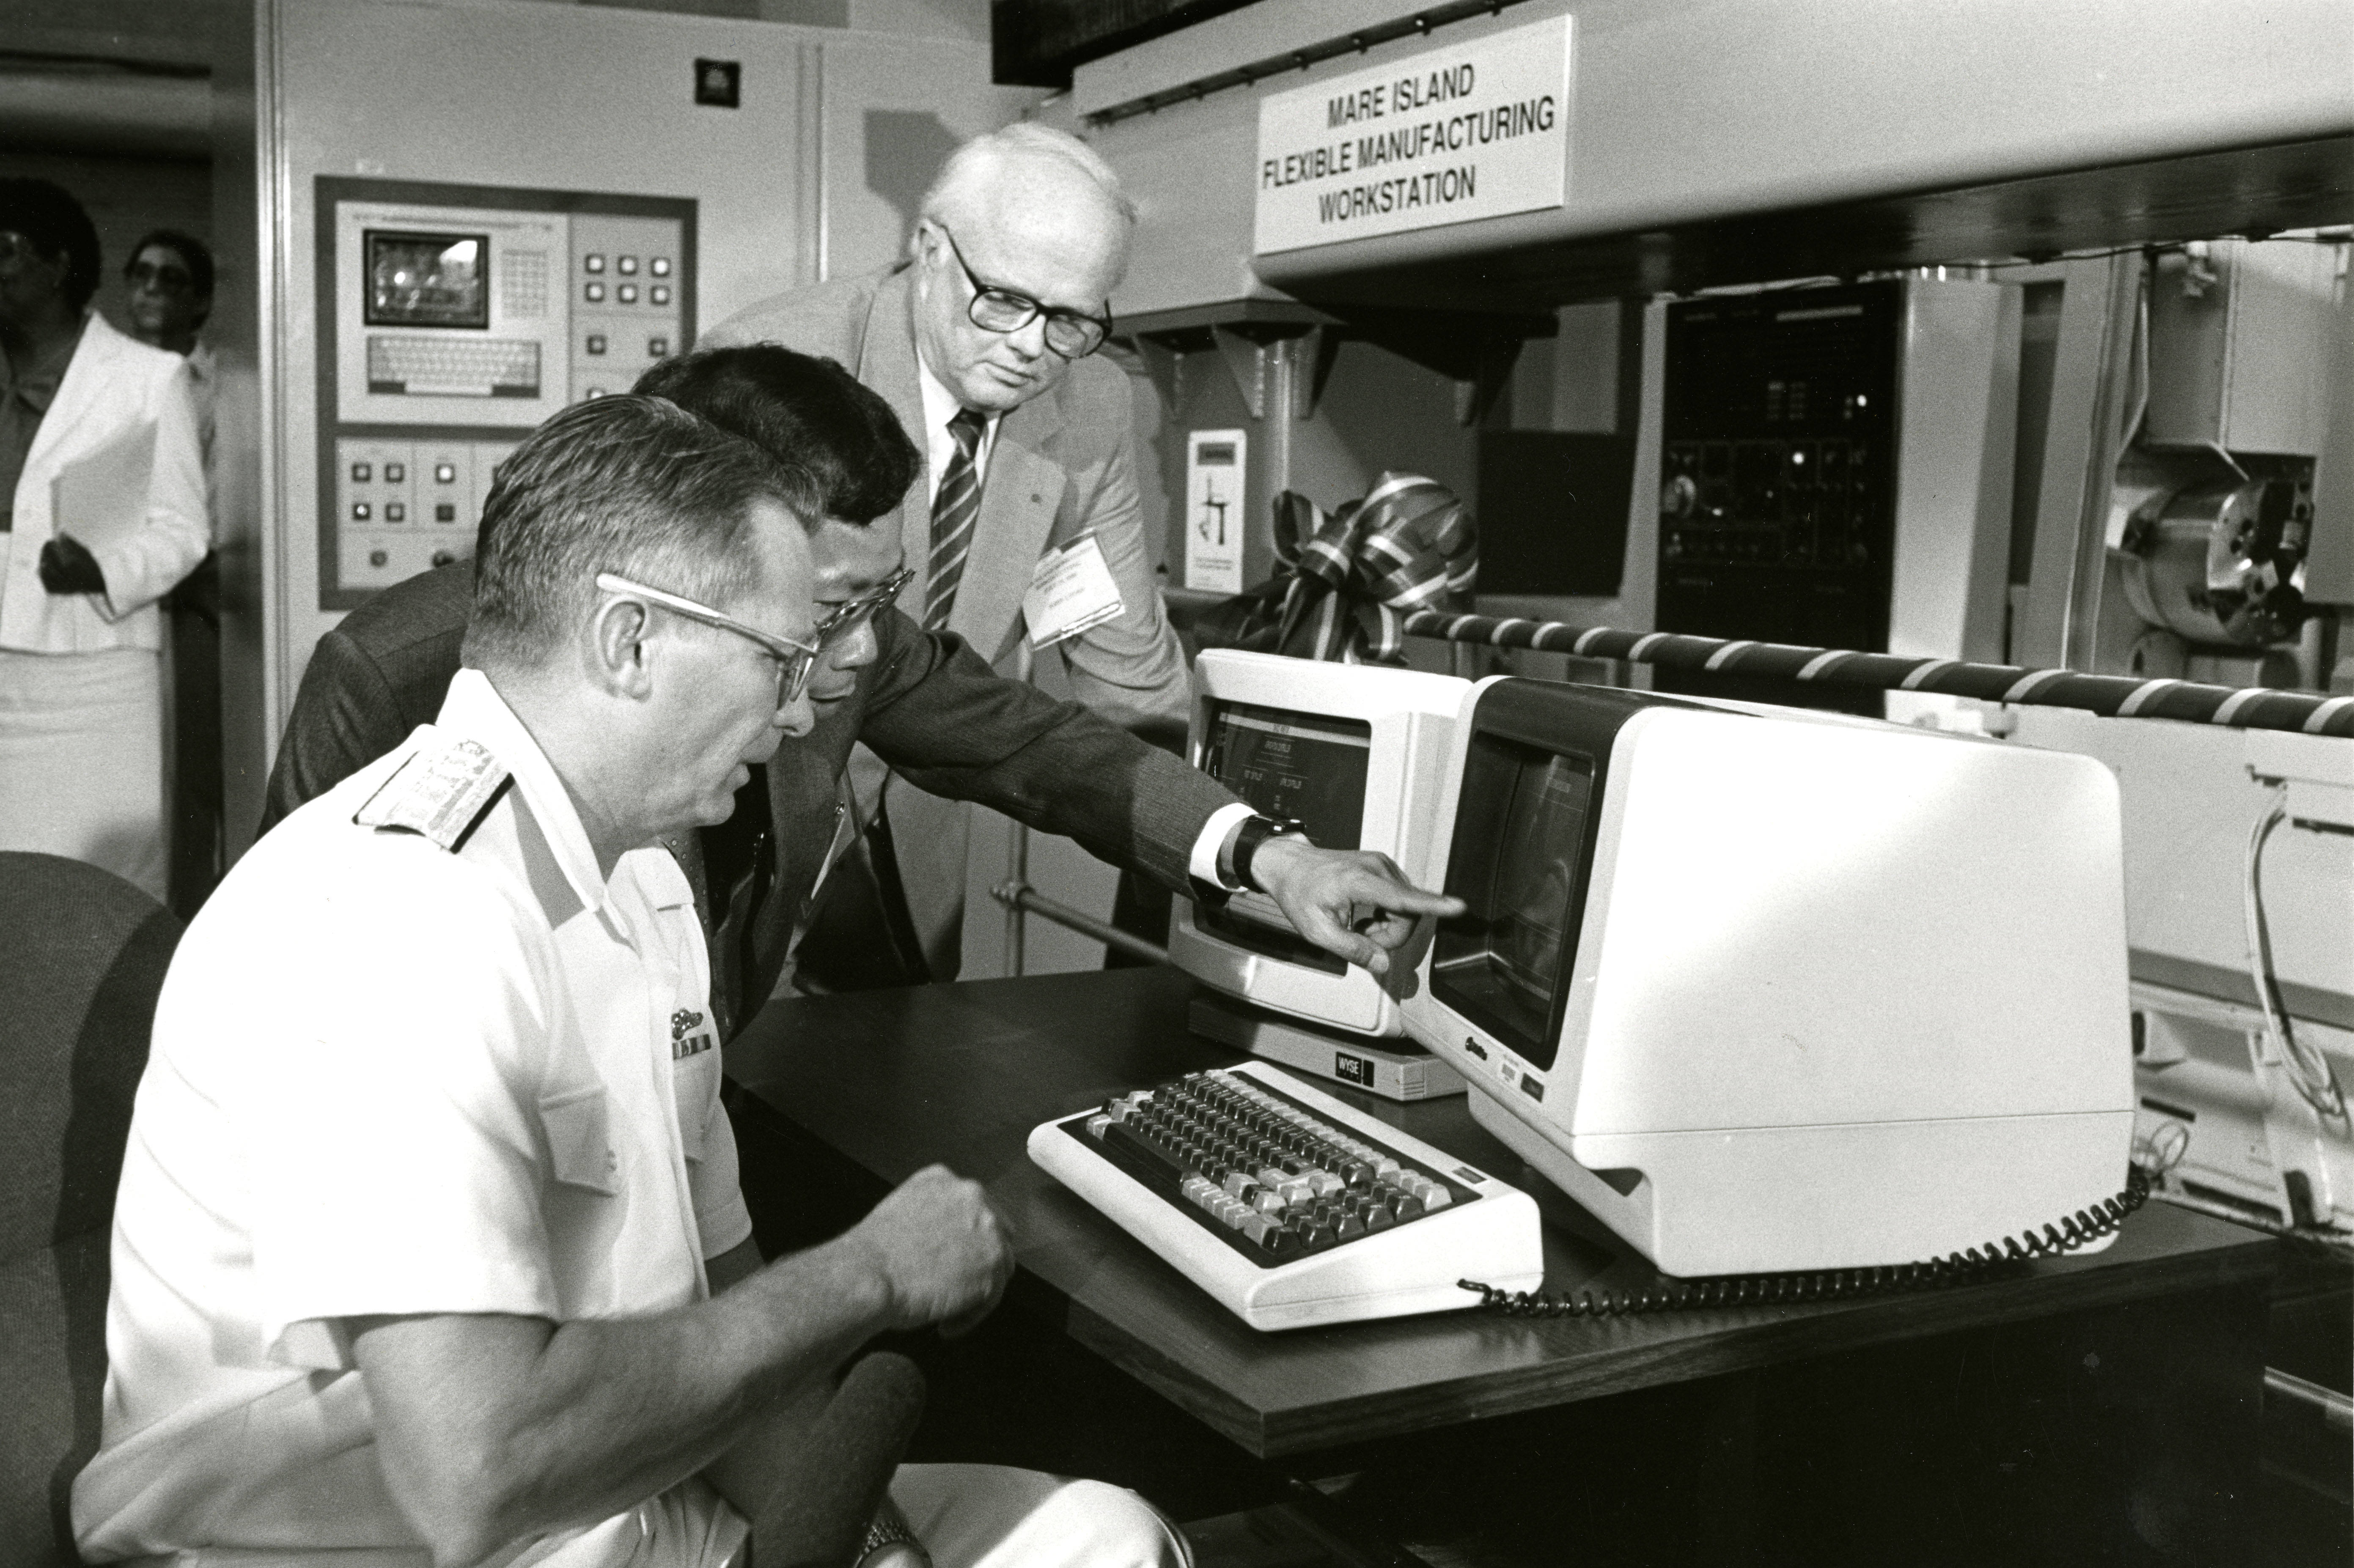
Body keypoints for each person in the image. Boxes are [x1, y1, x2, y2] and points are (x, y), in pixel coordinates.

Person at [74, 393, 1190, 1568]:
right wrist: (866, 1272)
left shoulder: (644, 886)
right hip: (379, 1545)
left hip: (617, 1505)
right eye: (779, 656)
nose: (805, 707)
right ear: (630, 641)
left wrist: (867, 1552)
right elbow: (476, 1469)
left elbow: (717, 1306)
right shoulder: (401, 917)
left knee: (1105, 1537)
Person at [261, 345, 1461, 1038]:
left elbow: (1040, 750)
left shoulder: (846, 640)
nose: (837, 667)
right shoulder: (394, 674)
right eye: (815, 612)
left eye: (864, 603)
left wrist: (1274, 858)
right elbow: (290, 1016)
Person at [706, 123, 1185, 979]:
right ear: (929, 249)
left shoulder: (1093, 407)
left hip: (922, 831)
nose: (1035, 346)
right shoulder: (768, 371)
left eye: (1073, 317)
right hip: (754, 801)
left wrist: (1218, 833)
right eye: (1004, 300)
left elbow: (1123, 666)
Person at [0, 178, 208, 903]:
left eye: (7, 250)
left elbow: (185, 531)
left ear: (59, 266)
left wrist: (102, 569)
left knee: (93, 893)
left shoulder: (149, 378)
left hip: (90, 679)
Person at [121, 228, 217, 466]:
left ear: (201, 302)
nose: (151, 287)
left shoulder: (222, 386)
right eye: (141, 275)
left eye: (171, 279)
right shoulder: (103, 375)